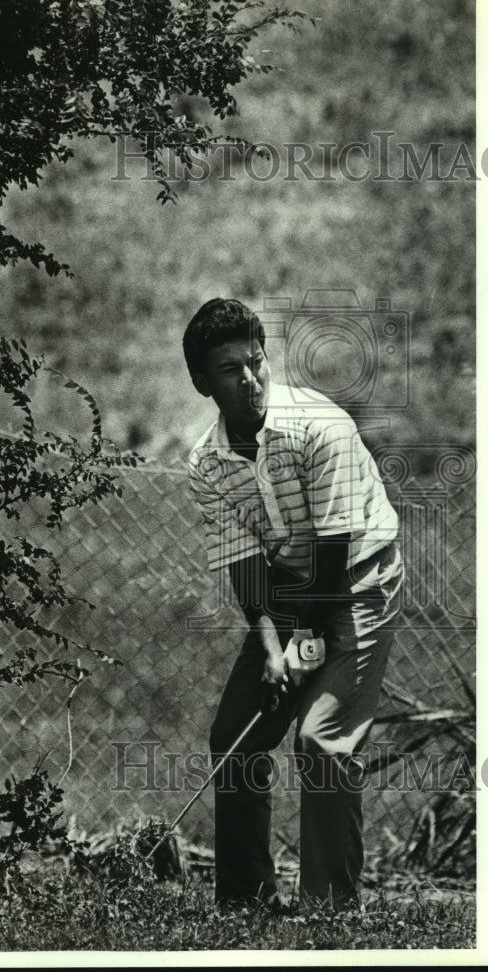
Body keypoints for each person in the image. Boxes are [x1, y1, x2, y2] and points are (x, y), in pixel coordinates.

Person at [184, 297, 404, 912]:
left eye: (256, 362)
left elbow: (334, 552)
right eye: (229, 370)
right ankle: (246, 903)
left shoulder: (320, 427)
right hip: (286, 587)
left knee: (321, 739)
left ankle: (328, 911)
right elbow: (244, 566)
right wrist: (271, 647)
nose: (250, 379)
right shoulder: (206, 464)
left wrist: (304, 645)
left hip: (358, 577)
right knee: (235, 736)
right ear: (202, 382)